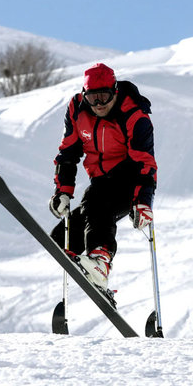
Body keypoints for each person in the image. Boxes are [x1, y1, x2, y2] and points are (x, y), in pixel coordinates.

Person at [48, 63, 157, 291]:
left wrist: (143, 202)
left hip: (129, 180)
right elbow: (68, 154)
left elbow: (144, 163)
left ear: (115, 91)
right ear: (84, 95)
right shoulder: (77, 110)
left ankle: (100, 261)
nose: (99, 104)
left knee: (96, 200)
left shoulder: (134, 115)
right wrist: (63, 193)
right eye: (93, 98)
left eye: (104, 97)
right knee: (62, 237)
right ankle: (90, 270)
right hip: (99, 182)